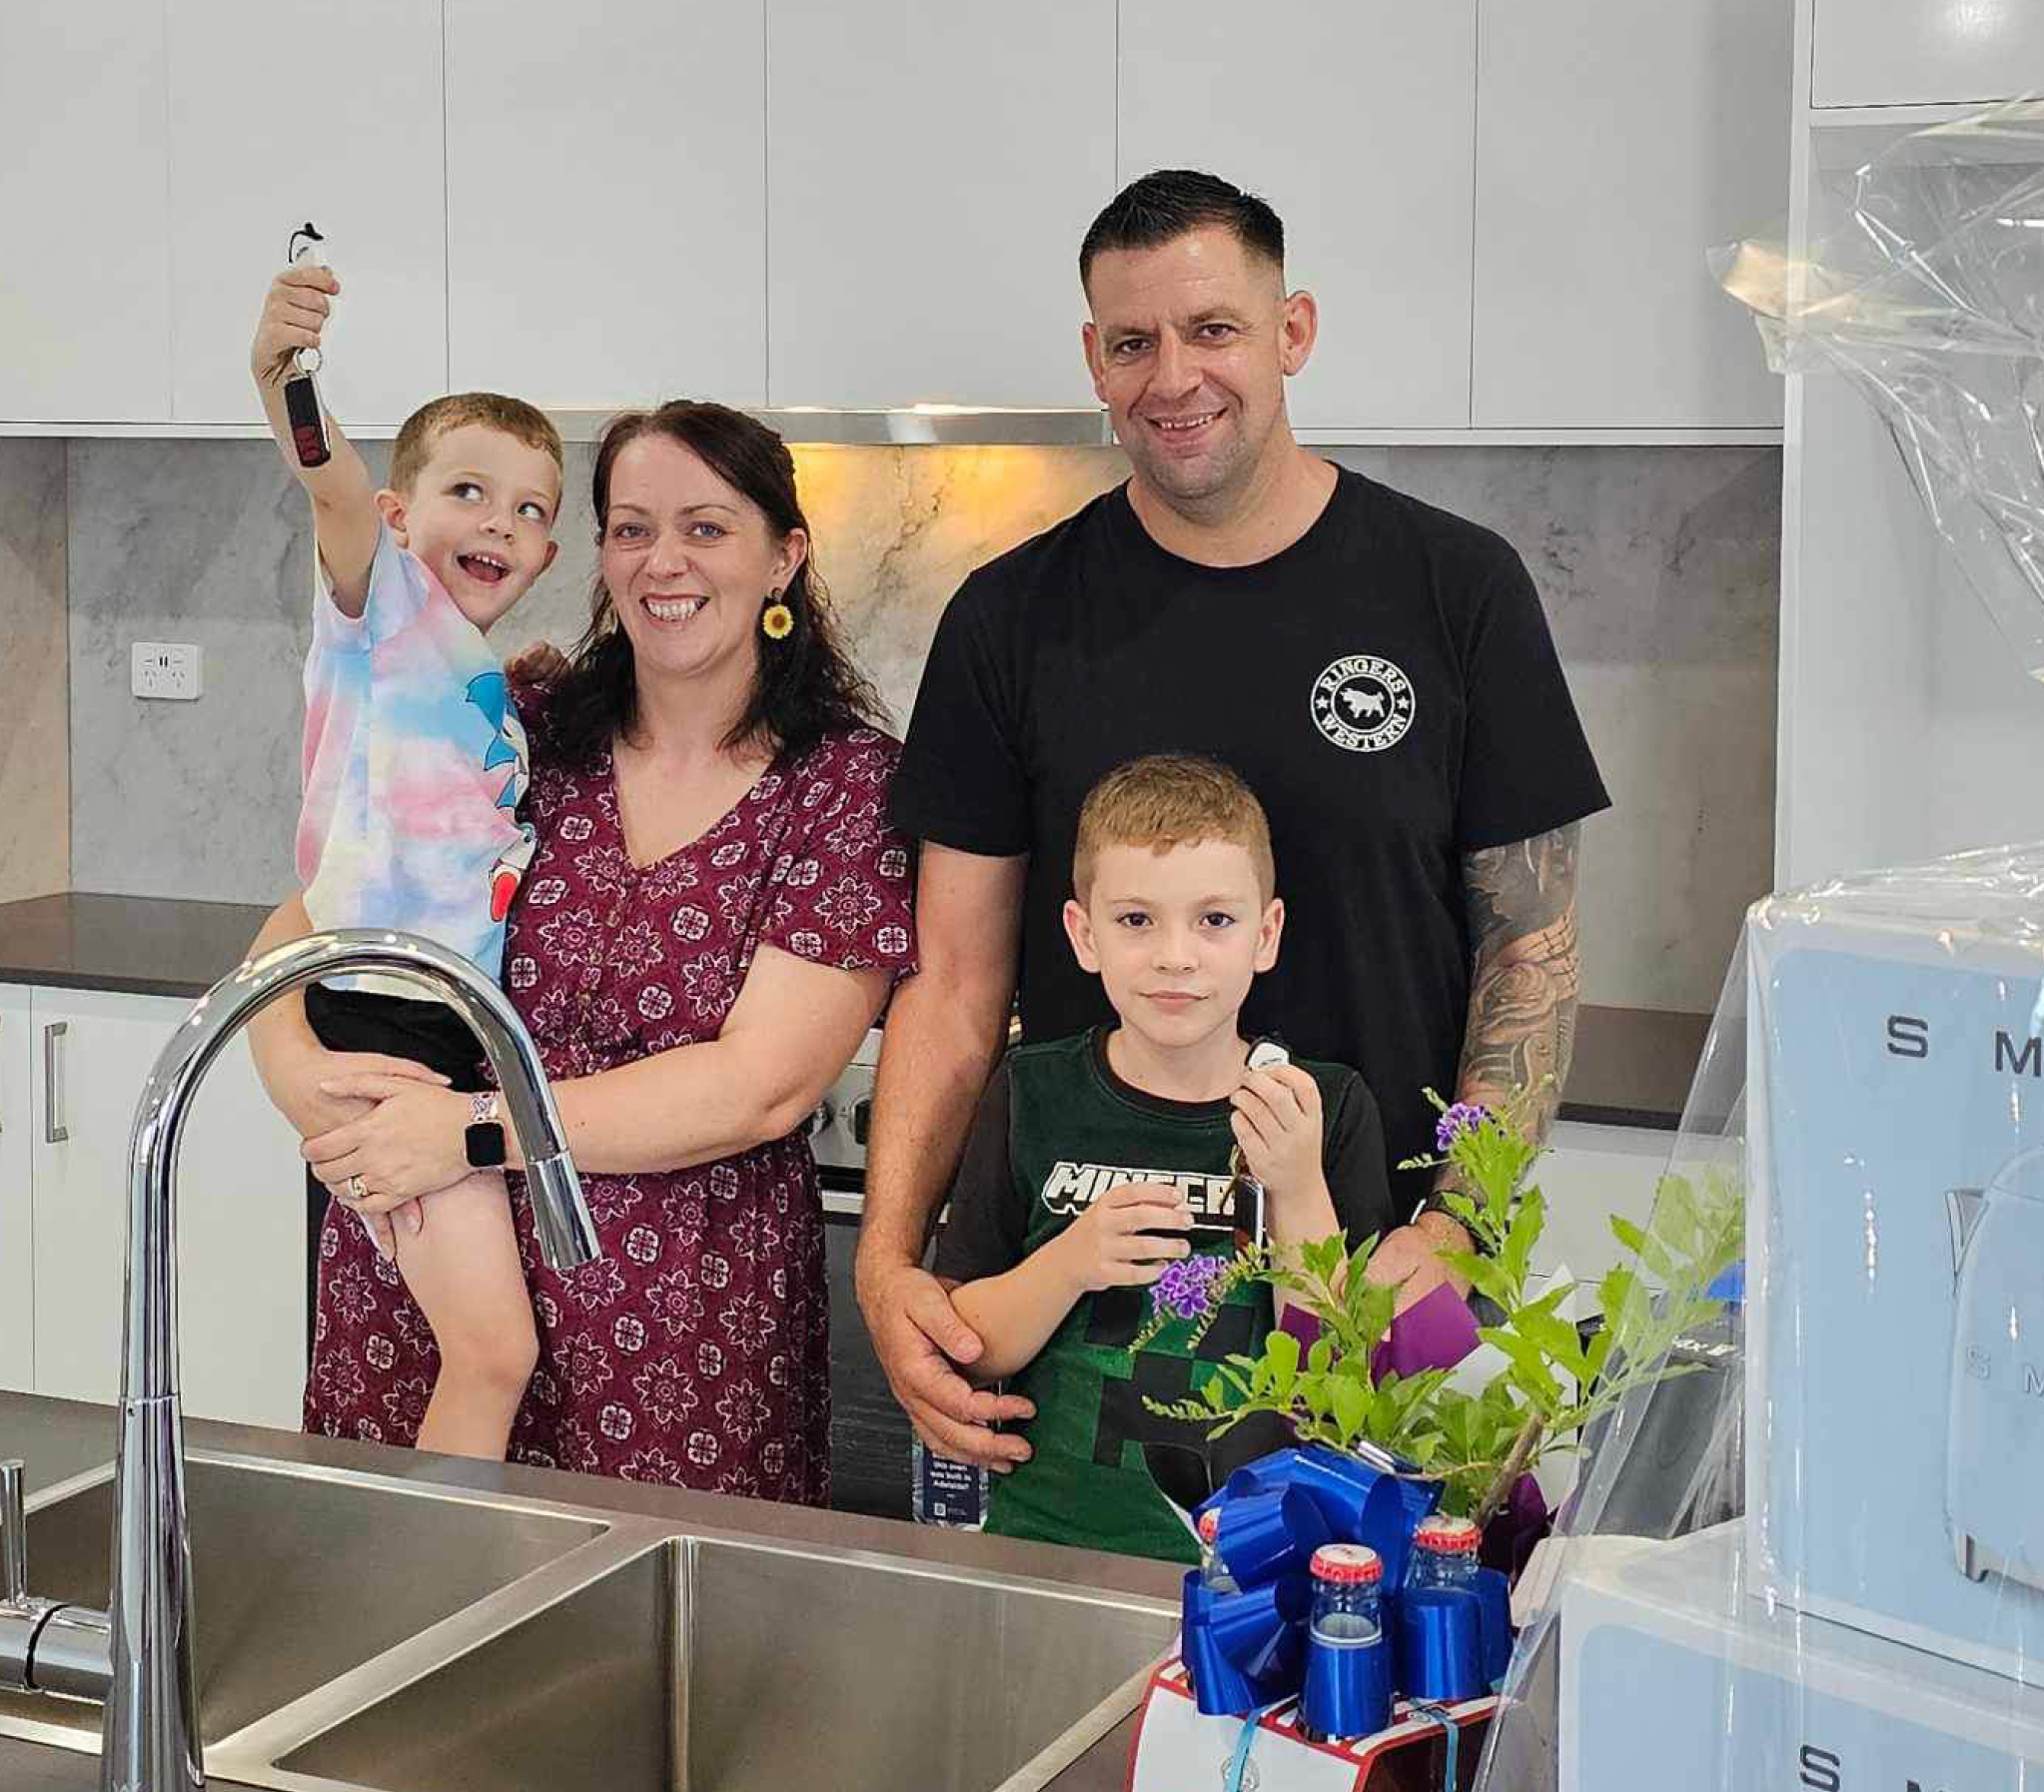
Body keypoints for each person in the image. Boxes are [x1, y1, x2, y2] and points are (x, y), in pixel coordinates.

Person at [861, 168, 1609, 1472]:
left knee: (1392, 1647)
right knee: (1107, 1651)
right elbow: (958, 981)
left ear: (1292, 332)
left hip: (1382, 1284)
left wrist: (1459, 1234)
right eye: (1134, 342)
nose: (1174, 377)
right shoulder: (1010, 619)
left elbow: (1530, 947)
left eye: (1213, 330)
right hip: (1097, 1311)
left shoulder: (1455, 588)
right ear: (1094, 360)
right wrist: (888, 1262)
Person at [249, 402, 916, 1499]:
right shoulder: (524, 722)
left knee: (657, 1657)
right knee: (403, 1625)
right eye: (632, 527)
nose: (665, 563)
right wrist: (289, 1060)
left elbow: (758, 1088)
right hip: (427, 1291)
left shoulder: (845, 790)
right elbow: (327, 902)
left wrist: (466, 1132)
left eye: (706, 528)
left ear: (783, 556)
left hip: (677, 1348)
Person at [244, 261, 562, 1457]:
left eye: (533, 511)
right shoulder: (376, 612)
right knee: (495, 1353)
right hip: (380, 1021)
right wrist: (287, 376)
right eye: (470, 491)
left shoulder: (481, 677)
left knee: (481, 1348)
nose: (503, 524)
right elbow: (326, 480)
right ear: (398, 517)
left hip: (440, 1026)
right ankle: (445, 1602)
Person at [936, 754, 1390, 1560]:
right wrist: (1070, 1261)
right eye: (1137, 921)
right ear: (1083, 935)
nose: (1174, 956)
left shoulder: (1327, 1106)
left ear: (1267, 934)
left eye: (1214, 920)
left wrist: (1296, 1186)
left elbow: (1339, 1373)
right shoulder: (1032, 1092)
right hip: (1048, 1541)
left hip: (1256, 1565)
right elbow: (970, 1344)